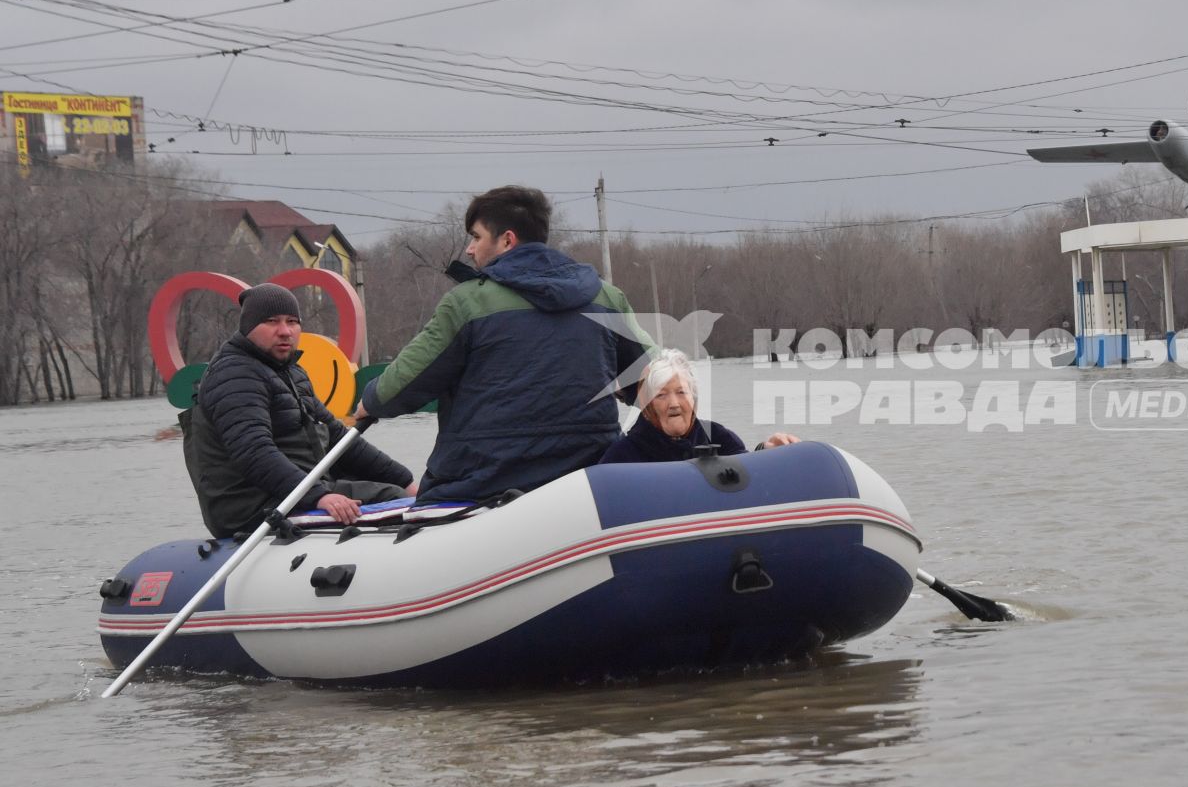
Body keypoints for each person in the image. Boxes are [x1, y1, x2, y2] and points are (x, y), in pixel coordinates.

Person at [356, 185, 652, 501]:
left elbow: (402, 385)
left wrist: (370, 401)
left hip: (482, 483)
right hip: (590, 483)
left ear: (507, 240)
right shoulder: (607, 297)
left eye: (476, 237)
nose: (469, 249)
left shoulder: (465, 304)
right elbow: (653, 382)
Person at [184, 283, 415, 537]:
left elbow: (339, 438)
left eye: (292, 322)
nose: (285, 331)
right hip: (253, 507)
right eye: (272, 322)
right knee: (393, 498)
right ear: (248, 327)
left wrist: (406, 479)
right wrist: (319, 496)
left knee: (398, 490)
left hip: (297, 490)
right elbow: (254, 452)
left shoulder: (291, 371)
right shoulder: (234, 375)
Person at [601, 349, 798, 464]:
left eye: (681, 392)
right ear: (646, 405)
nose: (674, 404)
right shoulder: (622, 455)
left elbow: (748, 473)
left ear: (693, 398)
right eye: (661, 395)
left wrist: (767, 453)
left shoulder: (719, 437)